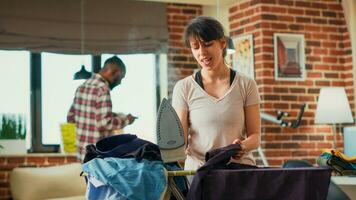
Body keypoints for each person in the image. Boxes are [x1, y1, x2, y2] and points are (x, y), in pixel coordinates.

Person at [172, 16, 261, 172]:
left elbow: (255, 136)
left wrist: (243, 146)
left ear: (222, 43)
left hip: (239, 172)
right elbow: (180, 143)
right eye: (195, 47)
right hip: (199, 174)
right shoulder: (183, 87)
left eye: (207, 44)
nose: (202, 52)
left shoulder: (246, 84)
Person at [67, 56, 136, 161]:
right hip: (97, 156)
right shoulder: (103, 89)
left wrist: (114, 115)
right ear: (116, 72)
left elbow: (70, 117)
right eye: (121, 78)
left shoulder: (82, 86)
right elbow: (104, 123)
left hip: (82, 154)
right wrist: (127, 120)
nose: (120, 82)